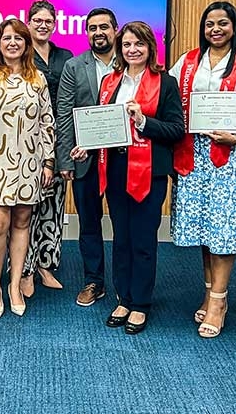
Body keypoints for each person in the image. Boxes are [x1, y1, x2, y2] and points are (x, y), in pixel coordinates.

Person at [169, 1, 236, 339]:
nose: (216, 29)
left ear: (234, 27)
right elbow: (167, 97)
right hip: (194, 155)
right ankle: (211, 292)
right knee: (204, 227)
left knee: (223, 229)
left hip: (233, 154)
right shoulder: (186, 62)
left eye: (223, 23)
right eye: (210, 23)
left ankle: (218, 302)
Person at [72, 22, 184, 333]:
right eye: (126, 45)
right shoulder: (110, 82)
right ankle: (124, 297)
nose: (132, 50)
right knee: (120, 237)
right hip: (115, 167)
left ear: (150, 48)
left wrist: (144, 121)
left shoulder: (166, 83)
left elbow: (176, 130)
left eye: (139, 44)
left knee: (143, 239)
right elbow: (102, 126)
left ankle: (141, 303)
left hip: (150, 171)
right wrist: (87, 147)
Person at [0, 19, 55, 318]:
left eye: (19, 38)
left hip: (30, 165)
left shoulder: (38, 80)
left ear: (26, 43)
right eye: (7, 38)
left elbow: (47, 122)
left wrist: (48, 162)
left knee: (21, 224)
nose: (13, 43)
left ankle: (14, 285)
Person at [55, 7, 118, 307]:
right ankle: (94, 281)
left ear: (115, 30)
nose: (98, 33)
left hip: (123, 160)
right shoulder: (74, 66)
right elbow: (64, 113)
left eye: (104, 27)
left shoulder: (131, 62)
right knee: (89, 224)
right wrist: (65, 160)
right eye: (92, 28)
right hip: (85, 160)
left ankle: (126, 284)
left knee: (124, 225)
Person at [19, 0, 73, 298]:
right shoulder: (18, 53)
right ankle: (24, 270)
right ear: (29, 22)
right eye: (37, 20)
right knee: (27, 208)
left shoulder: (65, 56)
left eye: (47, 21)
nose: (42, 25)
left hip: (58, 138)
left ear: (55, 24)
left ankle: (45, 266)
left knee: (53, 205)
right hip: (26, 141)